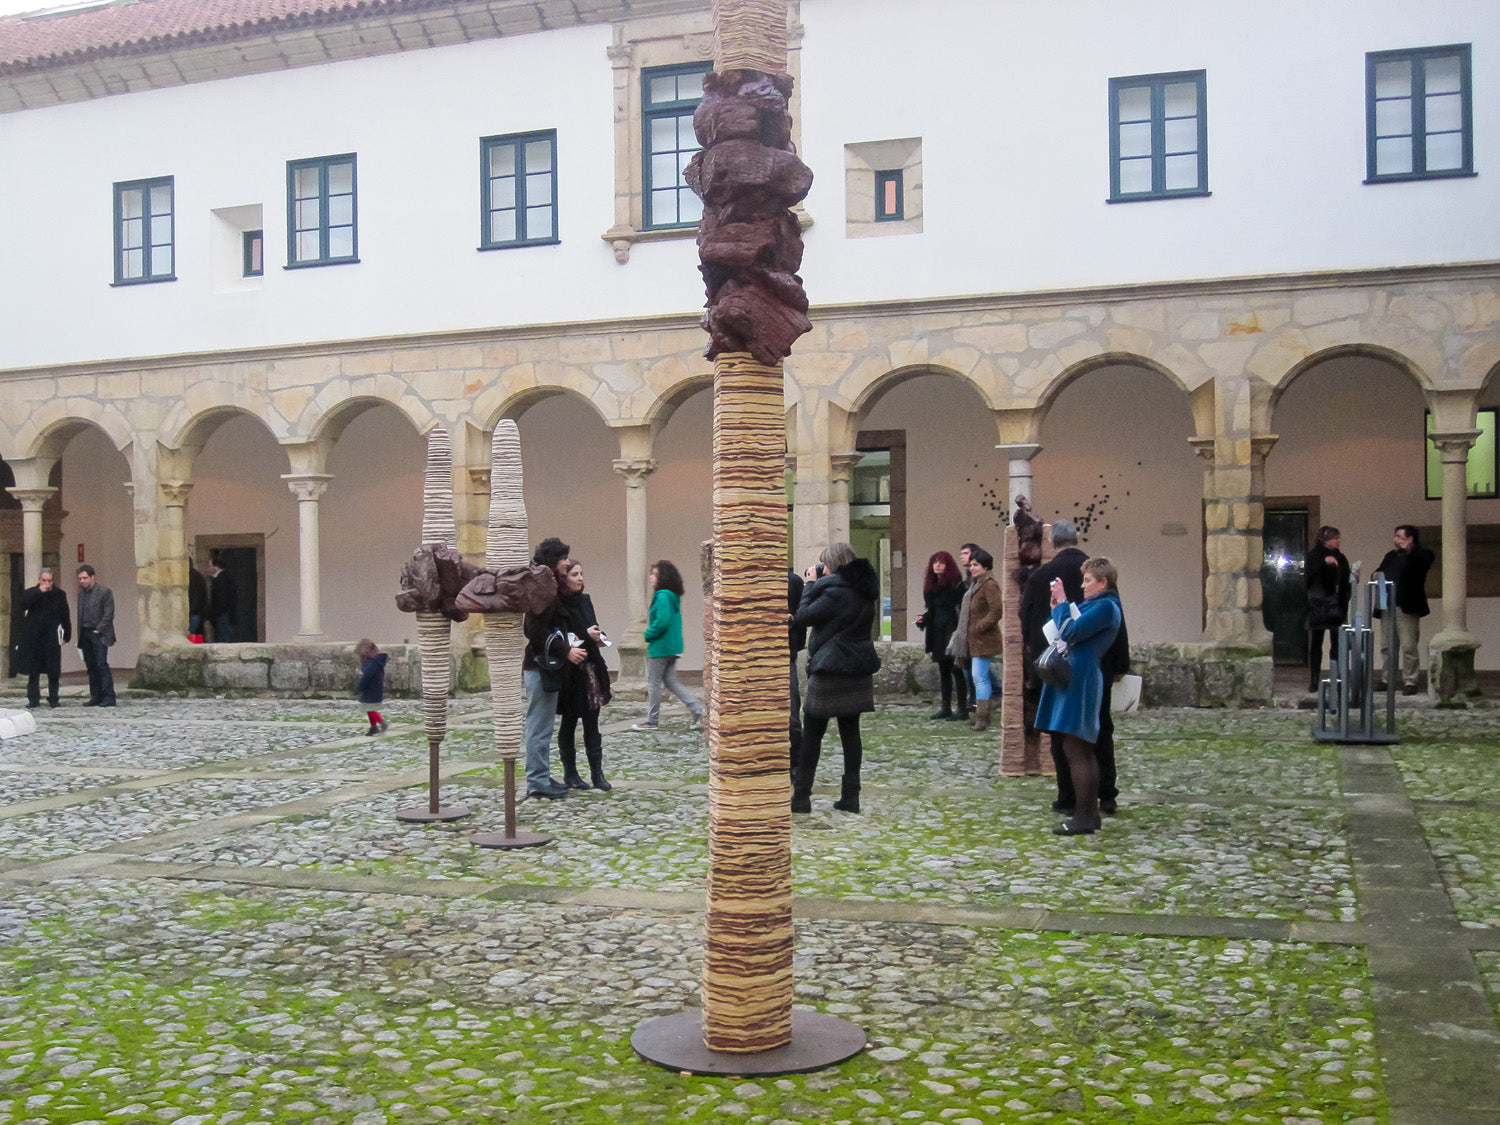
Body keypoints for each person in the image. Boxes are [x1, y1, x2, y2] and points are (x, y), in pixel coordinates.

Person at [1034, 557, 1124, 836]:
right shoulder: (1095, 605)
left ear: (1103, 582)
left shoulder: (1107, 607)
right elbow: (1066, 627)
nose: (1083, 586)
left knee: (1078, 749)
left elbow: (1071, 631)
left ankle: (1084, 817)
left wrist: (1061, 604)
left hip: (1081, 678)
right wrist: (1057, 610)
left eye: (1087, 581)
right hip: (1074, 675)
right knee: (1072, 747)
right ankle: (1089, 815)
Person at [791, 542, 880, 814]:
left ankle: (802, 797)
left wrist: (809, 585)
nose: (822, 569)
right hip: (856, 669)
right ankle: (851, 797)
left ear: (834, 565)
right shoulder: (865, 590)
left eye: (825, 564)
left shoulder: (832, 593)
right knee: (851, 734)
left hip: (829, 671)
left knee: (813, 734)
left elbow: (804, 616)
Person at [1019, 519, 1087, 812]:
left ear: (1051, 542)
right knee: (1094, 730)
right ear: (1077, 537)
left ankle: (1067, 795)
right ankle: (1104, 792)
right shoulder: (1094, 571)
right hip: (1088, 658)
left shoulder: (1043, 575)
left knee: (1059, 733)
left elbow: (1026, 617)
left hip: (1053, 661)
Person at [521, 536, 581, 800]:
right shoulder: (543, 589)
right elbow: (534, 631)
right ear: (554, 562)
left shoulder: (546, 587)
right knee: (539, 725)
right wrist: (565, 650)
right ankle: (537, 780)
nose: (567, 563)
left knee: (543, 724)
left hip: (544, 666)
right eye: (564, 559)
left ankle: (542, 776)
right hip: (540, 666)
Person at [554, 559, 613, 791]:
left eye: (581, 573)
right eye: (575, 574)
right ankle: (570, 773)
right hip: (570, 672)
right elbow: (564, 638)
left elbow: (593, 628)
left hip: (591, 669)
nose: (580, 578)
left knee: (592, 723)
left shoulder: (586, 601)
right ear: (564, 579)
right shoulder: (558, 605)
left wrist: (600, 637)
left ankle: (597, 773)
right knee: (568, 722)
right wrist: (586, 634)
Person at [633, 559, 705, 730]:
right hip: (671, 647)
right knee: (672, 682)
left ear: (662, 577)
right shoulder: (671, 596)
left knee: (654, 683)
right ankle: (698, 710)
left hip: (661, 647)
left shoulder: (663, 596)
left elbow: (662, 621)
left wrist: (648, 634)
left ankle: (652, 721)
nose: (651, 577)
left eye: (654, 574)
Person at [1374, 524, 1435, 695]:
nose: (1396, 540)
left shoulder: (1422, 555)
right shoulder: (1391, 556)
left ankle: (1410, 680)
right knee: (1387, 646)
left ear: (1410, 538)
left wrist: (1408, 552)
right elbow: (1380, 571)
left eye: (1400, 537)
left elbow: (1418, 568)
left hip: (1407, 606)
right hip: (1388, 604)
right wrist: (1375, 575)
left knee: (1408, 645)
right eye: (1395, 537)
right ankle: (1388, 679)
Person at [916, 550, 968, 722]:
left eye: (941, 562)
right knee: (943, 670)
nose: (937, 565)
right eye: (935, 562)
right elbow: (932, 610)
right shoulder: (931, 586)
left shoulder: (956, 585)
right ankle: (945, 707)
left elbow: (961, 609)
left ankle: (962, 708)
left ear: (948, 565)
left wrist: (960, 630)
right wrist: (922, 620)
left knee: (956, 669)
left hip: (951, 629)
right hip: (937, 631)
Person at [1304, 525, 1352, 692]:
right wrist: (1324, 564)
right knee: (1316, 643)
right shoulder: (1314, 556)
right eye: (1334, 538)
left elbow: (1346, 580)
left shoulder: (1341, 557)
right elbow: (1308, 579)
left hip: (1336, 604)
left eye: (1338, 538)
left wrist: (1352, 578)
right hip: (1318, 604)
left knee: (1337, 643)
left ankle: (1337, 678)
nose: (1338, 541)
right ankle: (1314, 679)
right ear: (1325, 540)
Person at [1096, 593, 1131, 817]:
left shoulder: (1106, 602)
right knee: (1102, 732)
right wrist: (1120, 667)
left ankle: (1075, 794)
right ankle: (1106, 793)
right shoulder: (1109, 600)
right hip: (1103, 670)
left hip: (1091, 670)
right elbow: (1121, 636)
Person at [963, 547, 1004, 732]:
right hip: (975, 639)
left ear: (985, 566)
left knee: (979, 677)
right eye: (971, 565)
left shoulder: (989, 585)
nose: (972, 568)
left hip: (984, 638)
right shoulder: (975, 585)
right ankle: (982, 716)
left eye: (976, 564)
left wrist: (979, 627)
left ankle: (982, 717)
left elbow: (996, 611)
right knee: (980, 677)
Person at [18, 567, 70, 709]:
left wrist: (67, 634)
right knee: (33, 671)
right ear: (39, 580)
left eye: (50, 580)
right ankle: (33, 699)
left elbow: (65, 614)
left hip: (51, 637)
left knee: (53, 670)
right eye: (44, 580)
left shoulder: (59, 594)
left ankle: (54, 698)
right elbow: (23, 605)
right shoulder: (31, 592)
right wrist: (39, 592)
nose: (47, 583)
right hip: (34, 637)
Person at [75, 564, 117, 707]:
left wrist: (98, 629)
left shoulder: (104, 592)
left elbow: (109, 613)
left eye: (85, 578)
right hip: (85, 633)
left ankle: (109, 696)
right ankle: (96, 695)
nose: (82, 581)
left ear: (92, 577)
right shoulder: (81, 595)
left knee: (101, 665)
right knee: (91, 666)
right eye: (80, 579)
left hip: (98, 633)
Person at [957, 542, 981, 712]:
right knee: (967, 666)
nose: (962, 557)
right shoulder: (965, 580)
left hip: (976, 630)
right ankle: (972, 699)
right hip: (964, 629)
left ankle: (978, 701)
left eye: (965, 553)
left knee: (976, 670)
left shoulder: (980, 581)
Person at [788, 567, 807, 779]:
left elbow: (802, 615)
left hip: (786, 653)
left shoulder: (793, 582)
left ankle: (796, 763)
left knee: (792, 713)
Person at [355, 638, 388, 736]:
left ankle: (381, 723)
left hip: (371, 688)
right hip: (374, 688)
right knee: (369, 708)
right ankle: (373, 727)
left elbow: (367, 676)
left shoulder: (373, 663)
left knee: (370, 709)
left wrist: (360, 686)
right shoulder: (376, 661)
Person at [206, 553, 238, 643]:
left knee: (224, 641)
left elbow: (221, 598)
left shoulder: (221, 579)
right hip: (225, 615)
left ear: (216, 567)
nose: (208, 569)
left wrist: (215, 613)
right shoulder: (226, 577)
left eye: (210, 566)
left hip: (223, 616)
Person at [187, 559, 208, 641]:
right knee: (196, 635)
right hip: (197, 612)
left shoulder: (195, 577)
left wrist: (191, 611)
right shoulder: (197, 576)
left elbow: (196, 597)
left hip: (194, 613)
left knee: (192, 636)